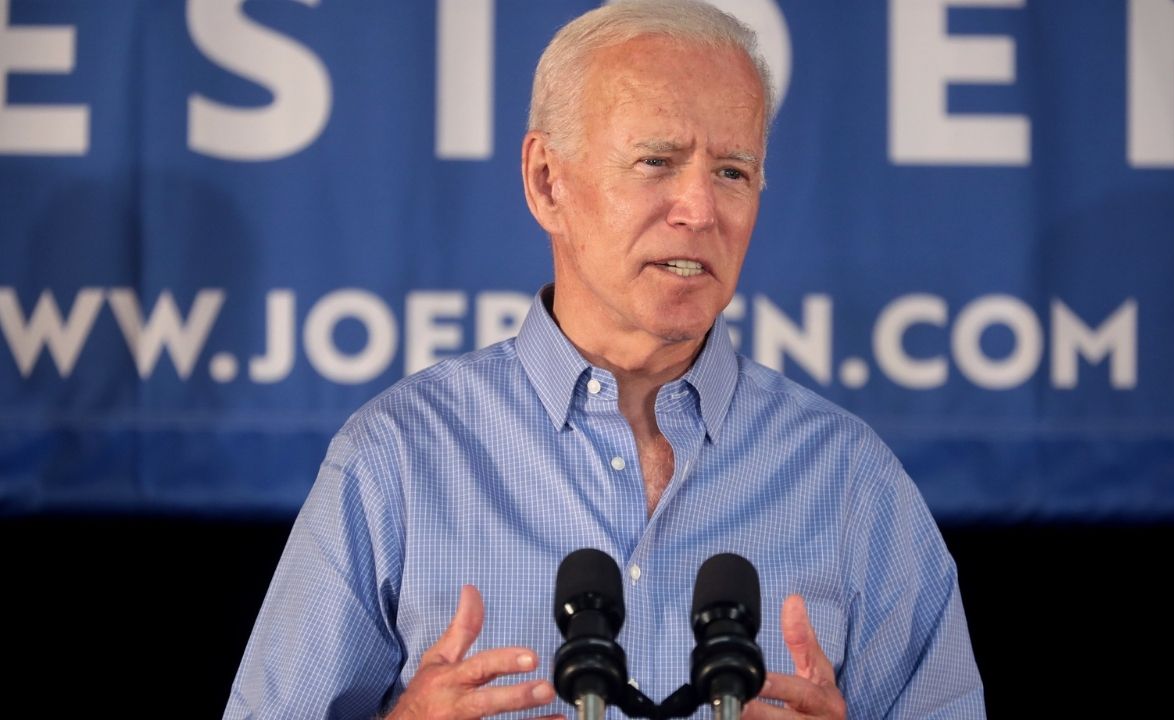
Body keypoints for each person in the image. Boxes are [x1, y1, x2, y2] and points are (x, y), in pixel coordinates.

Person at [224, 1, 985, 717]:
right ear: (547, 181)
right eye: (657, 161)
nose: (700, 209)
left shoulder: (851, 482)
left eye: (732, 172)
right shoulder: (398, 460)